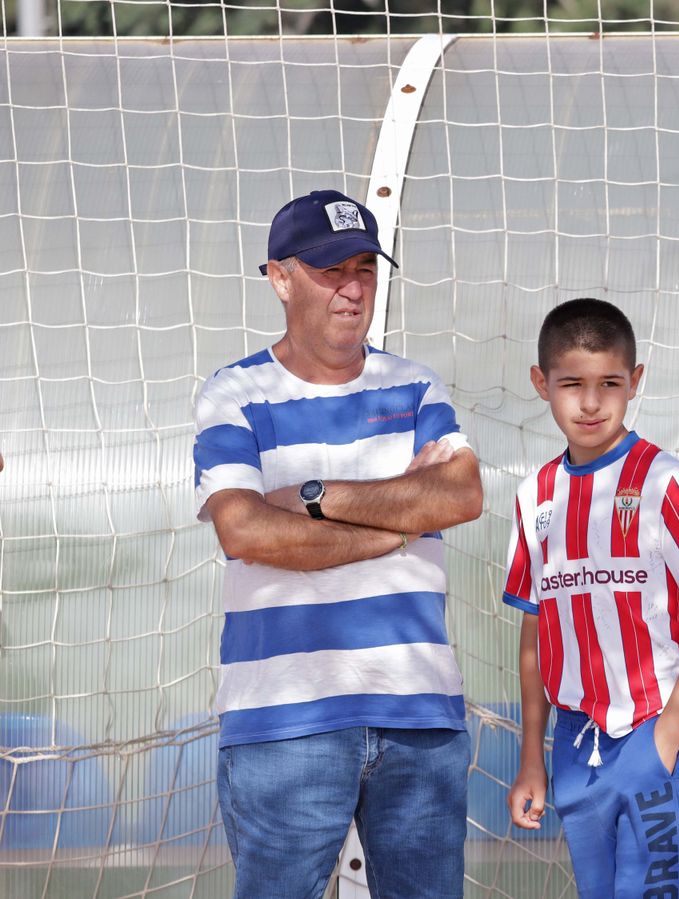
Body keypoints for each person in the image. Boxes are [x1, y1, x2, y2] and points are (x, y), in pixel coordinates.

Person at [192, 189, 483, 898]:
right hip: (283, 721)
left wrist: (319, 497)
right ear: (280, 277)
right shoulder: (232, 394)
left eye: (365, 267)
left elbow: (462, 497)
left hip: (417, 713)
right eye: (331, 270)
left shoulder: (416, 385)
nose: (354, 289)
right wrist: (402, 521)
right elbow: (247, 530)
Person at [502, 297, 679, 899]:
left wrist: (664, 741)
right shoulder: (536, 496)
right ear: (541, 383)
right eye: (571, 384)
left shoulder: (663, 480)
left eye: (609, 383)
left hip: (655, 726)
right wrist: (532, 753)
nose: (590, 402)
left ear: (634, 382)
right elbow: (536, 631)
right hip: (575, 740)